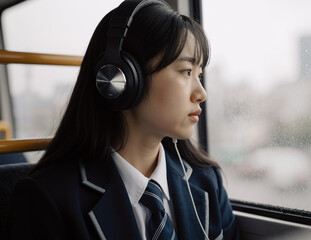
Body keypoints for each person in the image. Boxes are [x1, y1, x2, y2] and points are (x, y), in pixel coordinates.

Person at [3, 0, 239, 239]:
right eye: (187, 72)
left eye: (199, 74)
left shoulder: (207, 182)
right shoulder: (47, 198)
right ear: (122, 79)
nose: (201, 93)